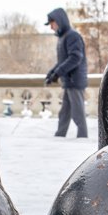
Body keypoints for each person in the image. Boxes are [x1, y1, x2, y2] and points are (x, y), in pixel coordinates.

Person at [44, 8, 88, 138]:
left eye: (52, 24)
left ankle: (82, 138)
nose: (51, 27)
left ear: (59, 21)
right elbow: (62, 61)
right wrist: (51, 73)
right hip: (69, 81)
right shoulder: (63, 37)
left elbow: (75, 58)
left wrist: (58, 73)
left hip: (75, 81)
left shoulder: (72, 36)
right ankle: (59, 136)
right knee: (64, 112)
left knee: (77, 114)